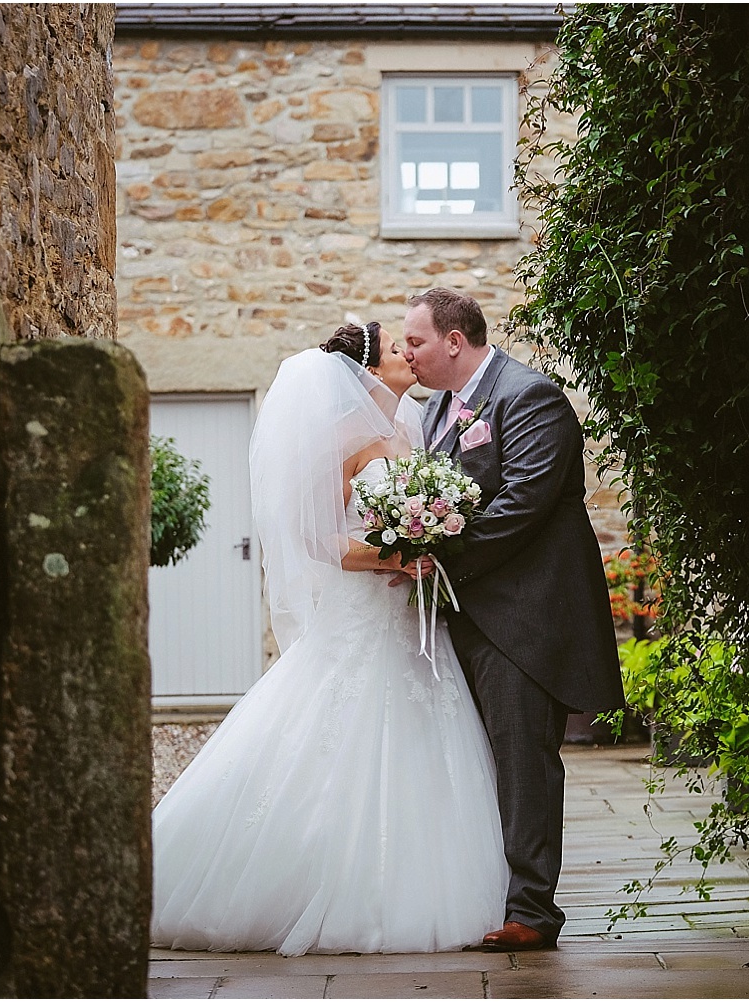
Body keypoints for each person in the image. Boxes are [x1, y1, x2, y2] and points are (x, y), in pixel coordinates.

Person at [150, 322, 508, 956]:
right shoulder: (342, 437)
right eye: (398, 349)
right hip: (363, 615)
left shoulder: (411, 430)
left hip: (413, 621)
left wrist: (430, 542)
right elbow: (315, 539)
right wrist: (393, 558)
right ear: (366, 372)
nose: (409, 354)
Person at [402, 288, 626, 951]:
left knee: (524, 764)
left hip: (525, 620)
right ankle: (488, 895)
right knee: (478, 764)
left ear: (453, 340)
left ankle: (533, 913)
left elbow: (525, 500)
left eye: (415, 340)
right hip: (467, 616)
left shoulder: (529, 397)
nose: (407, 352)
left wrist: (438, 556)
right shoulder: (440, 407)